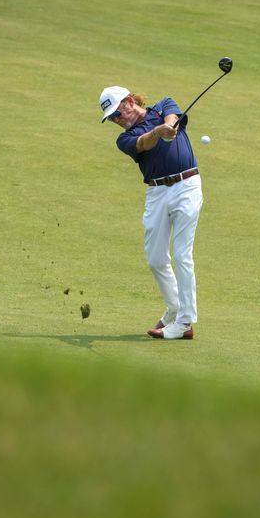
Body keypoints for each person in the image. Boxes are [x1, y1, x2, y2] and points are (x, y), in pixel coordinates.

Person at [99, 85, 203, 340]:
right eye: (112, 118)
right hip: (156, 193)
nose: (116, 120)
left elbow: (172, 116)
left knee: (181, 254)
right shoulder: (124, 139)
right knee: (155, 259)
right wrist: (159, 132)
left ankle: (185, 322)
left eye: (117, 113)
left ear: (130, 101)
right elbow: (143, 143)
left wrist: (169, 125)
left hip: (187, 186)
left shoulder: (164, 105)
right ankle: (175, 307)